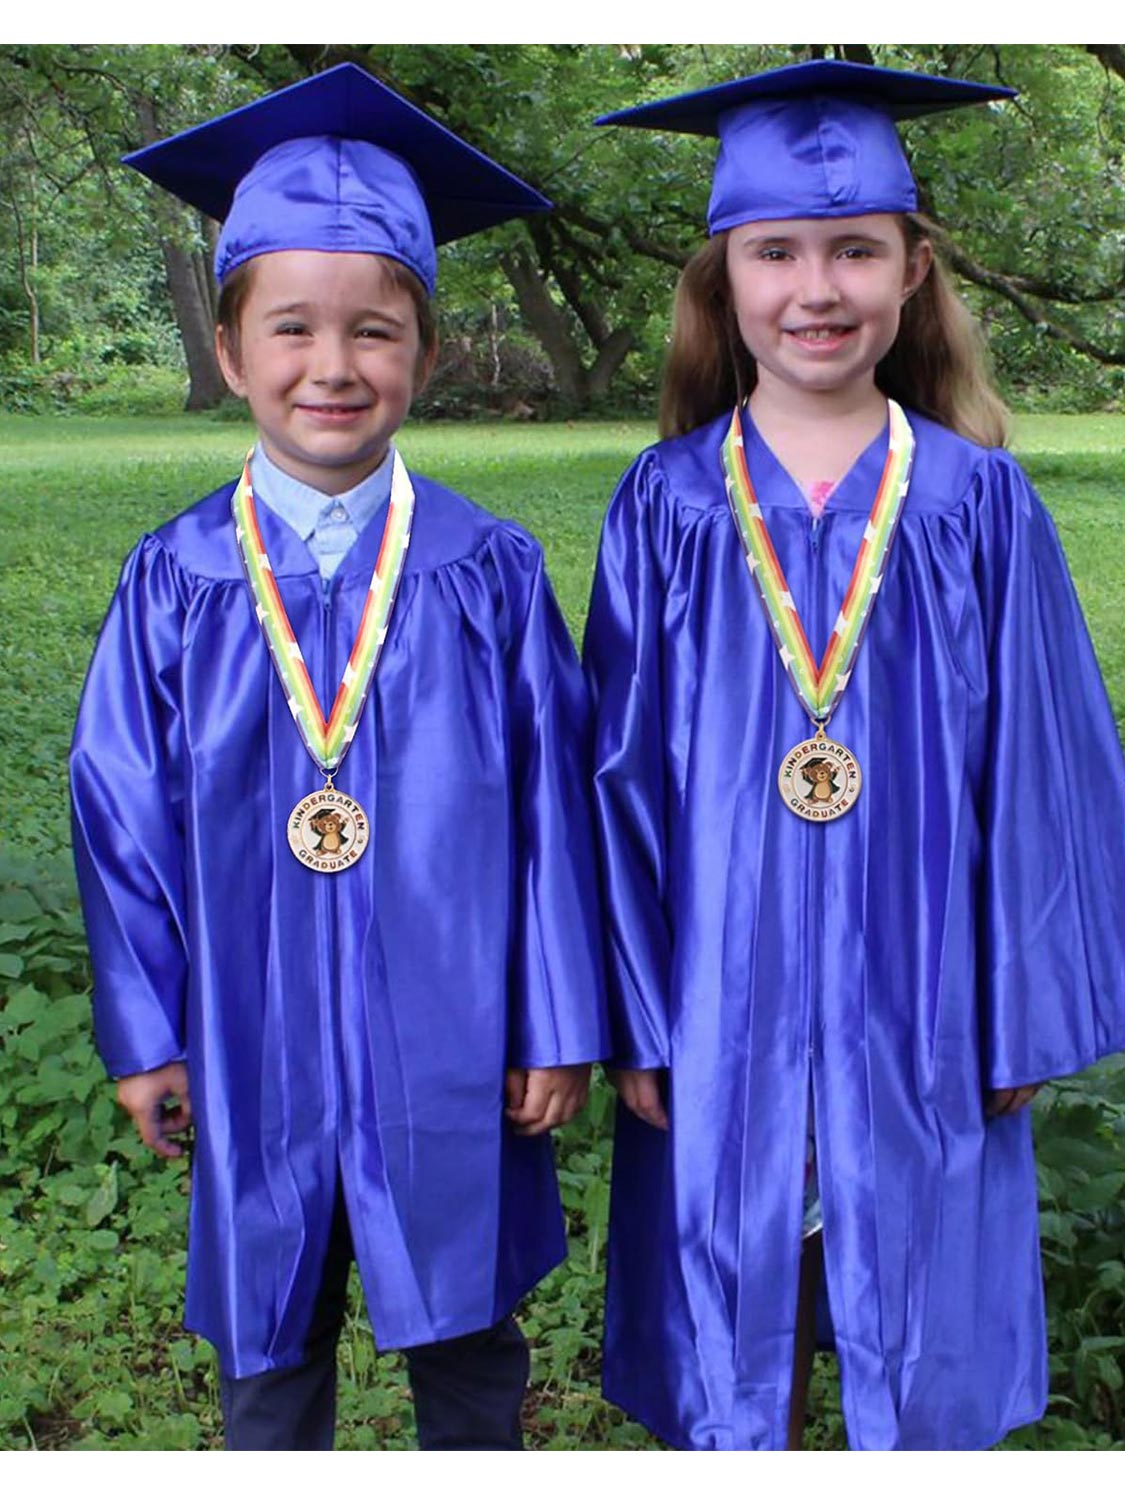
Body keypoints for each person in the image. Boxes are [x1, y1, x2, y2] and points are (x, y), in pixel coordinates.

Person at [584, 59, 1125, 1451]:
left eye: (853, 251)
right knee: (726, 1317)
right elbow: (618, 779)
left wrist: (1022, 1006)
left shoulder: (976, 502)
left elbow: (1045, 772)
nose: (814, 288)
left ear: (912, 270)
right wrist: (634, 1011)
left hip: (930, 987)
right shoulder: (665, 504)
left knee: (925, 1318)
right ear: (723, 277)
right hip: (715, 988)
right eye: (774, 251)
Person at [70, 63, 607, 1451]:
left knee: (469, 1335)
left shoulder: (486, 570)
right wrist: (146, 1029)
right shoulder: (177, 578)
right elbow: (118, 810)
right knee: (271, 1335)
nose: (333, 366)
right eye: (292, 329)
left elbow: (557, 803)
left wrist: (554, 1019)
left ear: (424, 353)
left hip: (455, 1025)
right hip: (249, 1026)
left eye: (375, 331)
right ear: (230, 350)